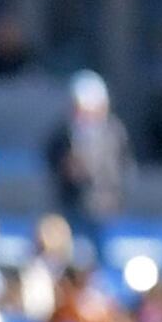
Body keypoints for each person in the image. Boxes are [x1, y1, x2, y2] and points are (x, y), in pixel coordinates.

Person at [48, 70, 128, 225]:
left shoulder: (114, 133)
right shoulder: (61, 136)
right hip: (71, 207)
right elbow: (53, 163)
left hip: (107, 211)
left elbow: (122, 169)